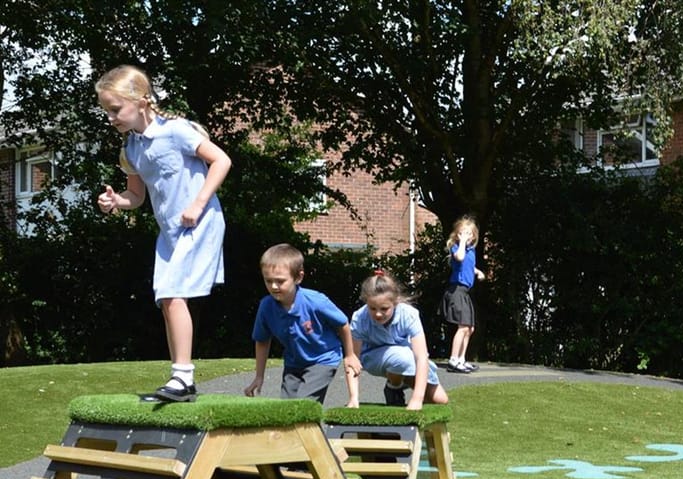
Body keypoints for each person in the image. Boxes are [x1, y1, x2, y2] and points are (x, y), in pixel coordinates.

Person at [95, 65, 231, 402]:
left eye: (115, 109)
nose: (111, 118)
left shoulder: (177, 131)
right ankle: (181, 377)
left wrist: (198, 203)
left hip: (200, 222)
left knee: (171, 294)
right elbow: (137, 196)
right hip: (170, 232)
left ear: (141, 101)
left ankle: (182, 377)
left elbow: (222, 160)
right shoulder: (131, 149)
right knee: (166, 298)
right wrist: (115, 202)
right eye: (107, 111)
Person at [243, 244, 361, 404]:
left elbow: (342, 323)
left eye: (280, 281)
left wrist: (350, 355)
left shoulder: (316, 301)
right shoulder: (266, 307)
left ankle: (313, 428)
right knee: (286, 409)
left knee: (303, 405)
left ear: (298, 277)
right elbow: (262, 341)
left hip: (323, 359)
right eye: (268, 281)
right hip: (294, 363)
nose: (273, 286)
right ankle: (311, 429)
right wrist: (259, 376)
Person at [350, 270, 449, 410]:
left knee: (440, 400)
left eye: (384, 309)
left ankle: (398, 386)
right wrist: (354, 398)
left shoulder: (409, 314)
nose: (378, 314)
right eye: (372, 308)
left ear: (395, 303)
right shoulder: (359, 318)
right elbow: (352, 360)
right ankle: (394, 386)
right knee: (402, 358)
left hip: (406, 358)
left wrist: (417, 399)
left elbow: (421, 357)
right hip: (373, 357)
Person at [440, 216, 485, 373]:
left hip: (465, 292)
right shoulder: (457, 248)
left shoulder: (471, 252)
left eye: (469, 233)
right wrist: (462, 243)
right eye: (463, 233)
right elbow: (459, 258)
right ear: (457, 235)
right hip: (456, 290)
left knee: (470, 328)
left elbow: (468, 266)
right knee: (463, 327)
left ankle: (461, 359)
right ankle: (453, 360)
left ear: (474, 236)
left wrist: (477, 271)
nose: (466, 236)